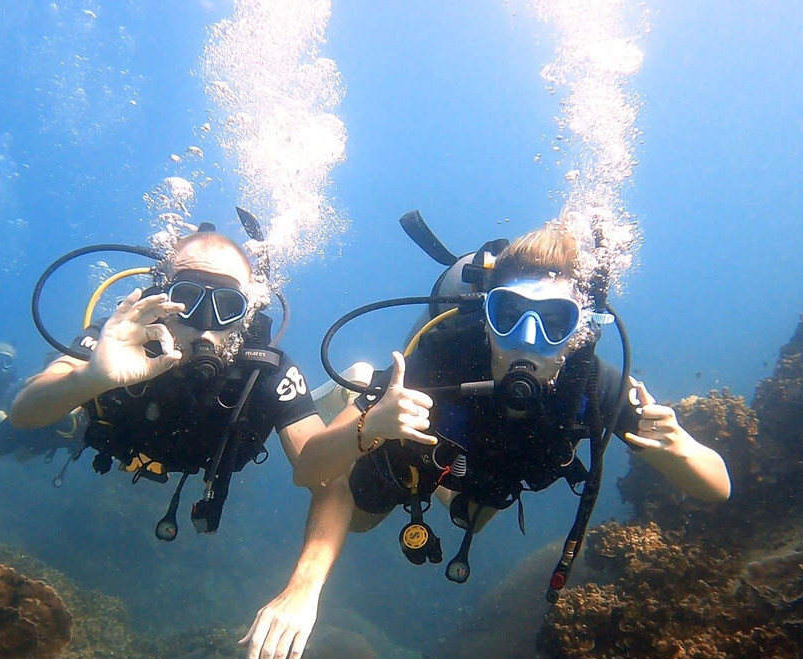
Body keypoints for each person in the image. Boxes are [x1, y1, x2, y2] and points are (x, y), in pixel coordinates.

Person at [294, 219, 731, 593]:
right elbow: (308, 470)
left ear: (580, 331)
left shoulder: (594, 384)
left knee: (473, 518)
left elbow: (717, 486)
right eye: (509, 315)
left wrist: (681, 452)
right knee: (360, 521)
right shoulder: (438, 361)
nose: (527, 339)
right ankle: (357, 389)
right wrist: (372, 424)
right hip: (418, 447)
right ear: (486, 318)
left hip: (485, 474)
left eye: (555, 321)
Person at [10, 227, 353, 659]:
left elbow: (328, 479)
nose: (203, 324)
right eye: (186, 298)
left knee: (331, 428)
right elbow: (23, 414)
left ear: (247, 310)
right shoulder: (115, 340)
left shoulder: (265, 369)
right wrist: (90, 379)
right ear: (160, 294)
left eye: (227, 306)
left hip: (207, 449)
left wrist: (304, 588)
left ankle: (350, 395)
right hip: (116, 440)